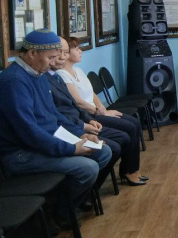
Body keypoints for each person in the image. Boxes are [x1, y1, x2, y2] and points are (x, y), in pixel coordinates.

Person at [0, 29, 111, 226]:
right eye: (50, 57)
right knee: (88, 168)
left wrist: (80, 134)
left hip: (46, 142)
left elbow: (55, 116)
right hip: (21, 154)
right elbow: (29, 132)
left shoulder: (39, 74)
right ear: (32, 53)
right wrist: (71, 148)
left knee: (103, 152)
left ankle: (64, 203)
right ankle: (59, 214)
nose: (53, 63)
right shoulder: (14, 81)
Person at [49, 37, 147, 186]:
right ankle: (125, 173)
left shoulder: (78, 70)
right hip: (88, 115)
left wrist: (102, 108)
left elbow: (92, 93)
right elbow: (77, 102)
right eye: (76, 49)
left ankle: (131, 170)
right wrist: (99, 113)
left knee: (133, 123)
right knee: (128, 129)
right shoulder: (61, 75)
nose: (80, 51)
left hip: (91, 114)